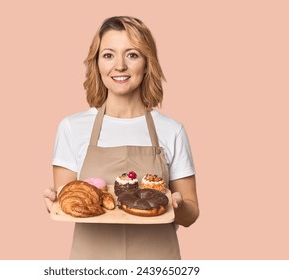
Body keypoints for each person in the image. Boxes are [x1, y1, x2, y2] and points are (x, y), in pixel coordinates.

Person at [44, 16, 199, 259]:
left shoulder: (172, 130)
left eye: (132, 54)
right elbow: (65, 204)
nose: (120, 66)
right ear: (96, 64)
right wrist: (52, 200)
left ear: (147, 63)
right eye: (108, 55)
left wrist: (176, 204)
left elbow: (191, 214)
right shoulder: (71, 128)